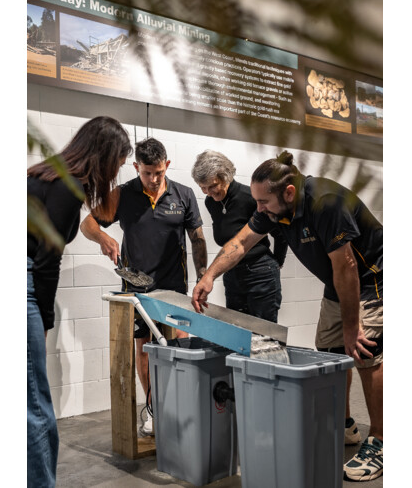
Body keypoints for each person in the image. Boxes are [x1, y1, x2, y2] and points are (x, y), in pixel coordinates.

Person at [191, 151, 384, 482]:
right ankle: (345, 424)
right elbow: (240, 243)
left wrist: (352, 328)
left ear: (289, 193)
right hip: (338, 282)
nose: (259, 208)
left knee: (365, 354)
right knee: (329, 352)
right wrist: (210, 275)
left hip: (373, 279)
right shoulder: (274, 208)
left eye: (263, 201)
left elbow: (348, 266)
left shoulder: (325, 202)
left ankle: (381, 440)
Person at [27, 116, 133, 488]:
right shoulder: (69, 185)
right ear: (104, 156)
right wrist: (43, 317)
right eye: (118, 163)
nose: (117, 171)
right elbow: (47, 259)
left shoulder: (49, 176)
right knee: (35, 404)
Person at [80, 137, 207, 438]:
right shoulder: (122, 195)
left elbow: (198, 238)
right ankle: (153, 409)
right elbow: (88, 224)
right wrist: (104, 238)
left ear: (167, 166)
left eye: (158, 173)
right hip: (136, 289)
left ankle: (178, 407)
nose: (152, 179)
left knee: (178, 348)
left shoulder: (184, 194)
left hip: (174, 288)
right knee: (145, 349)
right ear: (136, 167)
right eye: (147, 172)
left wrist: (203, 274)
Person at [191, 150, 287, 322]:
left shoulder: (250, 197)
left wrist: (277, 262)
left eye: (212, 185)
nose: (208, 192)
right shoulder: (211, 202)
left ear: (225, 175)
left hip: (260, 271)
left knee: (264, 335)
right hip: (232, 273)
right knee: (238, 333)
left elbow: (280, 233)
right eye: (203, 187)